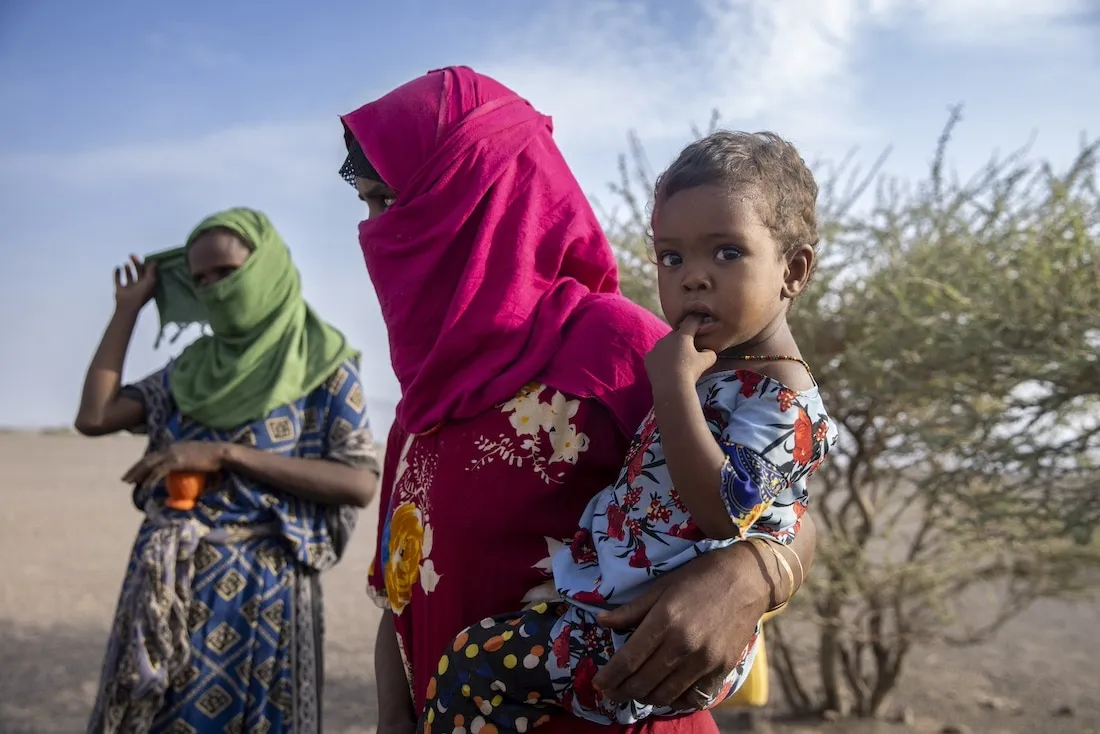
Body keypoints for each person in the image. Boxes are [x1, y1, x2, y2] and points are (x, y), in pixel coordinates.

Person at [341, 66, 821, 734]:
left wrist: (754, 574)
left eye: (395, 201)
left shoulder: (618, 349)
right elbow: (404, 594)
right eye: (368, 204)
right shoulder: (422, 399)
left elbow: (780, 503)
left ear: (475, 199)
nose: (377, 230)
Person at [76, 208, 379, 734]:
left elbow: (358, 483)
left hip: (263, 594)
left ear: (266, 270)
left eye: (227, 272)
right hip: (167, 583)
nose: (214, 289)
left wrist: (224, 455)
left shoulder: (326, 368)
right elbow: (95, 416)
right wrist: (127, 309)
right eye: (200, 280)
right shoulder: (191, 369)